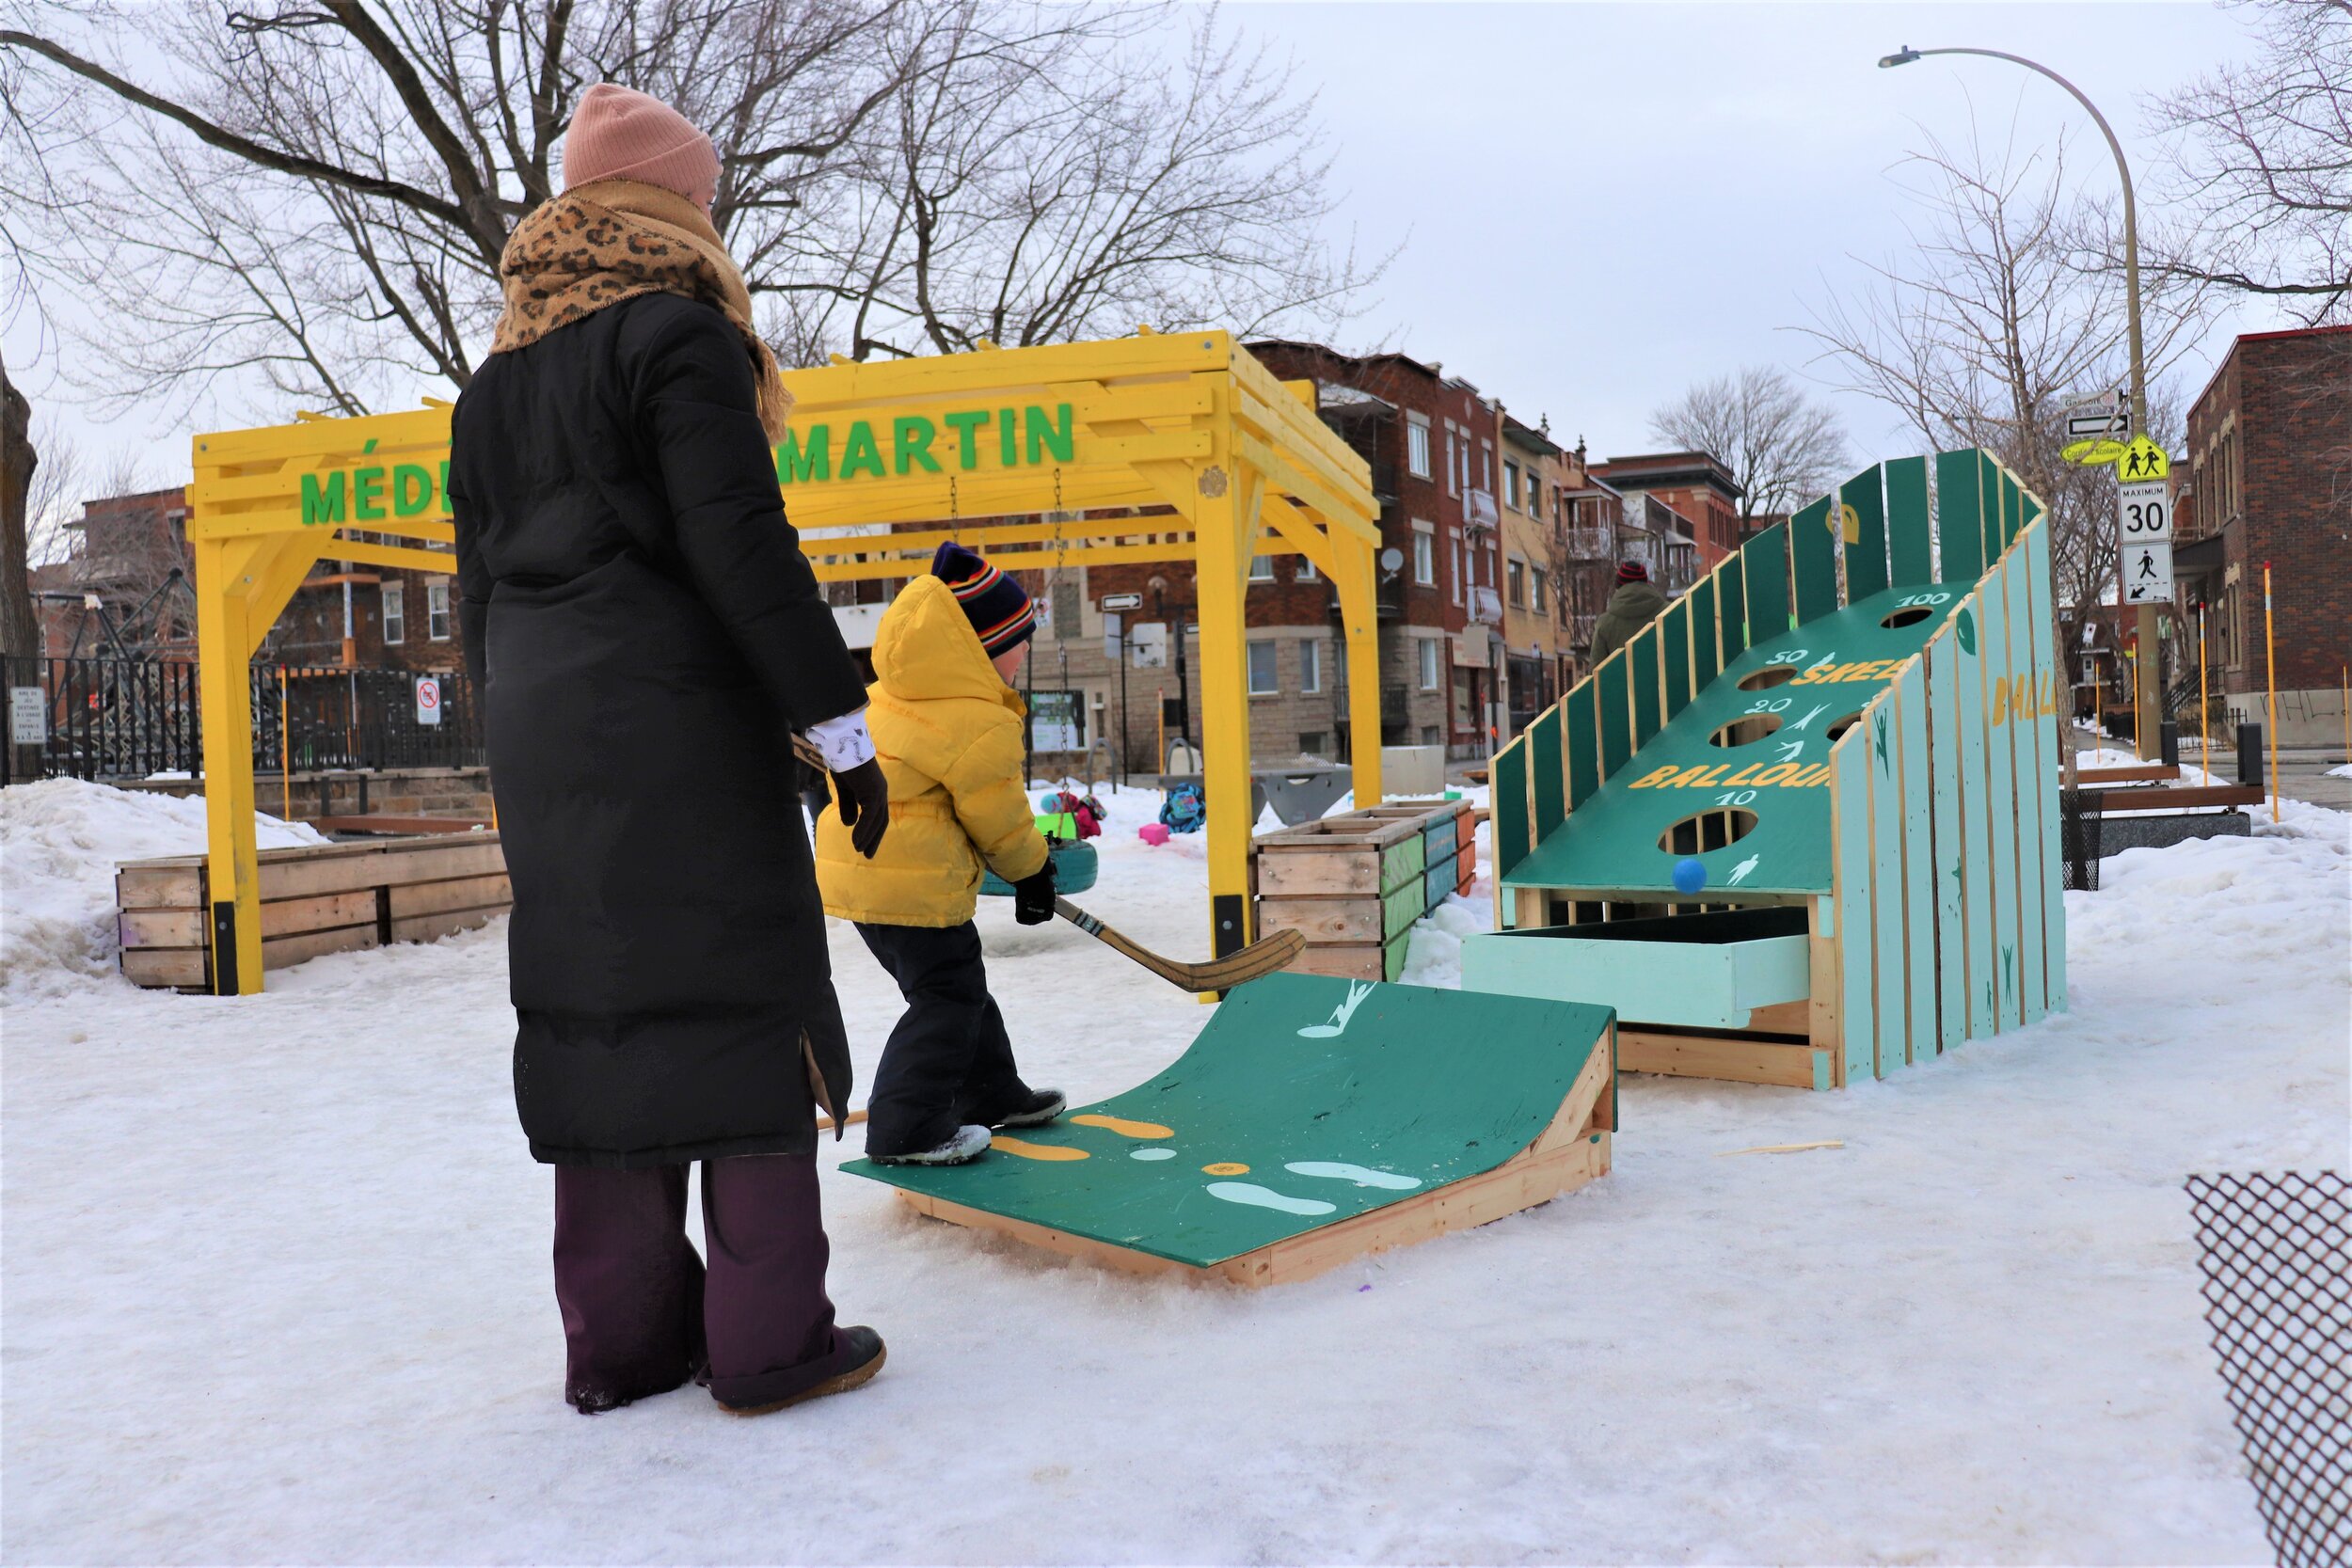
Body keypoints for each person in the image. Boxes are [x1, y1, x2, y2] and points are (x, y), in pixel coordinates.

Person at [448, 83, 892, 1418]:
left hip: (544, 734)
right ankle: (766, 1338)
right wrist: (838, 729)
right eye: (702, 197)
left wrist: (510, 747)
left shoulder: (494, 387)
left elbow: (478, 597)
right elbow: (743, 549)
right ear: (668, 208)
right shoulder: (678, 339)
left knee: (597, 1009)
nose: (712, 215)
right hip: (679, 725)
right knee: (734, 998)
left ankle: (627, 1343)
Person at [815, 543, 1065, 1166]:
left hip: (871, 878)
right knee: (946, 998)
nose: (1026, 650)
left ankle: (990, 1090)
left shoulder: (893, 695)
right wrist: (1034, 873)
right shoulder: (977, 718)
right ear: (979, 646)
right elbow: (1000, 818)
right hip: (911, 886)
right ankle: (906, 1125)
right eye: (1020, 639)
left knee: (957, 988)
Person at [1588, 559, 1669, 665]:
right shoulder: (1670, 613)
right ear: (1646, 583)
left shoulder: (1605, 624)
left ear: (1618, 587)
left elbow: (1595, 673)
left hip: (1621, 682)